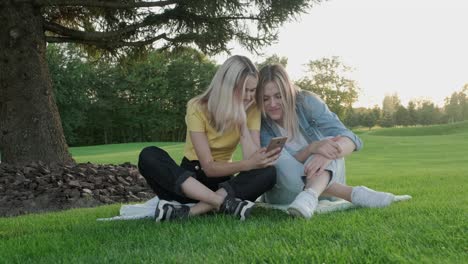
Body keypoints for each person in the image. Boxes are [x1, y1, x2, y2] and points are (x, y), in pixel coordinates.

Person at [138, 56, 280, 222]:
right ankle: (221, 204)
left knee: (268, 172)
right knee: (149, 155)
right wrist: (249, 164)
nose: (249, 96)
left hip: (223, 185)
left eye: (253, 90)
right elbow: (209, 167)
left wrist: (242, 124)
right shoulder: (197, 107)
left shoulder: (251, 108)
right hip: (190, 181)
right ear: (227, 87)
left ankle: (189, 212)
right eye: (244, 90)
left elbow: (253, 159)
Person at [257, 64, 397, 219]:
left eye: (278, 96)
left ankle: (310, 195)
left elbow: (351, 138)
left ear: (289, 93)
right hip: (287, 192)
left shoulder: (306, 102)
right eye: (265, 99)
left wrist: (326, 153)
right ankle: (352, 194)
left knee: (331, 140)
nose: (272, 104)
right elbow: (281, 168)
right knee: (277, 157)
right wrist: (311, 149)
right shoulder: (260, 123)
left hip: (325, 178)